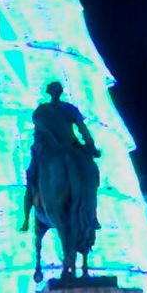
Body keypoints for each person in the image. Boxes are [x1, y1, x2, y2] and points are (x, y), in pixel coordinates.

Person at [20, 81, 101, 231]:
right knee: (91, 173)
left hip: (51, 149)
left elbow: (43, 132)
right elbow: (82, 129)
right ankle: (92, 214)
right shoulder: (66, 109)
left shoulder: (42, 110)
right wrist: (90, 144)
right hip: (70, 147)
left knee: (31, 177)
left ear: (49, 93)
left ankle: (27, 218)